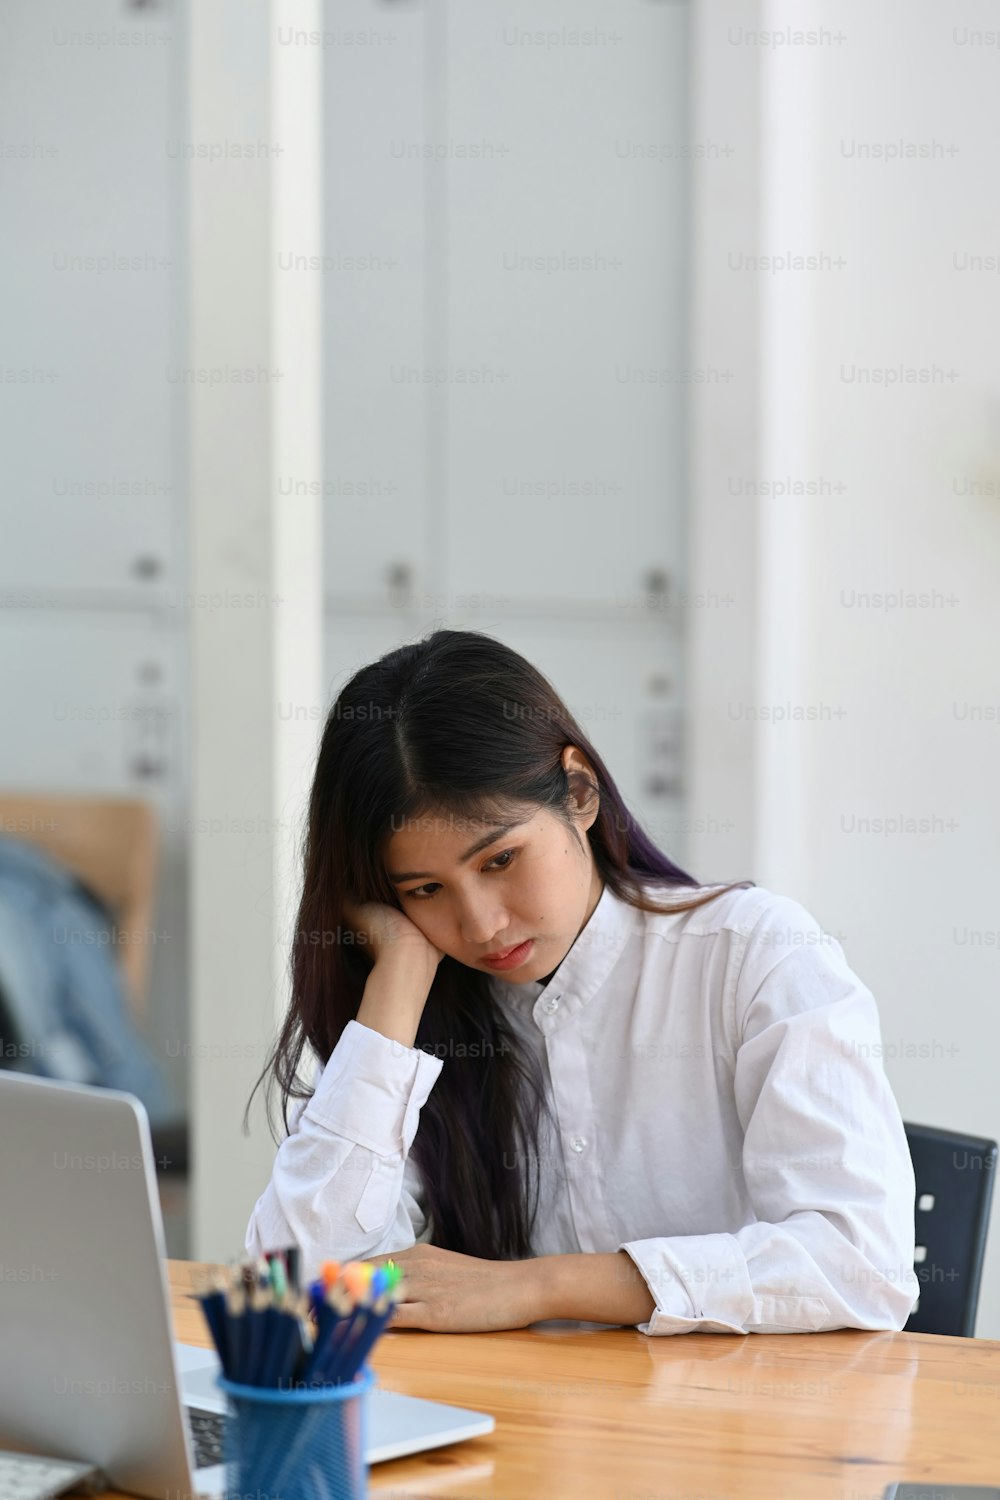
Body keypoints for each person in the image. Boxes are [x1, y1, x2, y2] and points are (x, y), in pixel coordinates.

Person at [244, 629, 919, 1337]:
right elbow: (297, 1287)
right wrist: (400, 979)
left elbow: (861, 1265)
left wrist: (540, 1287)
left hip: (735, 1430)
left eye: (500, 860)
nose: (479, 925)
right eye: (424, 888)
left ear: (579, 792)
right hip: (513, 1432)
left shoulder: (754, 956)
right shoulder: (403, 1015)